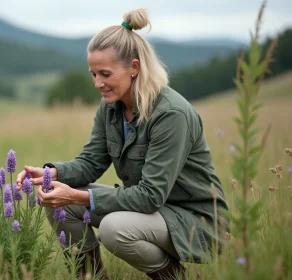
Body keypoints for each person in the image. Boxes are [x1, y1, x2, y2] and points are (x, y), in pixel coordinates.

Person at [17, 8, 229, 280]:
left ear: (134, 67)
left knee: (113, 229)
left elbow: (149, 196)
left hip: (195, 222)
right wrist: (51, 173)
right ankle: (90, 277)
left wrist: (76, 195)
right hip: (154, 214)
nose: (98, 83)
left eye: (105, 74)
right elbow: (91, 162)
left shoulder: (170, 115)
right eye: (94, 74)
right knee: (61, 205)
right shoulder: (111, 108)